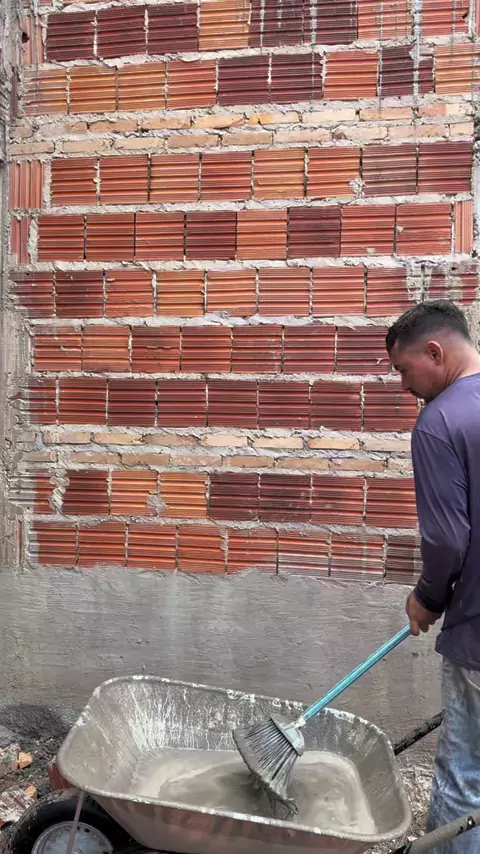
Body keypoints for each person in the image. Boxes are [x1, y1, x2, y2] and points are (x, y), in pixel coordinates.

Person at [385, 299, 480, 852]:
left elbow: (447, 541)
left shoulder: (440, 422)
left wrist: (427, 598)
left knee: (464, 779)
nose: (403, 386)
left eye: (404, 369)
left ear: (436, 352)